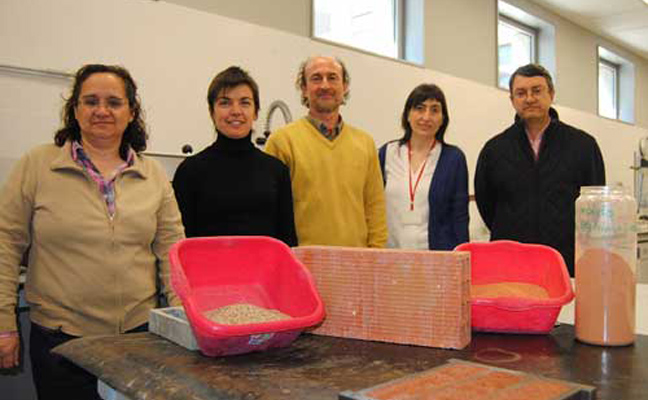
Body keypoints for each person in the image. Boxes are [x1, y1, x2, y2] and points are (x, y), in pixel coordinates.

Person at [0, 64, 185, 399]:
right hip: (61, 342)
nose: (102, 110)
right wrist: (3, 325)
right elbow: (5, 244)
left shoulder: (153, 174)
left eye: (114, 102)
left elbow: (173, 252)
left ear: (131, 112)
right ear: (75, 110)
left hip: (137, 338)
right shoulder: (38, 165)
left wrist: (182, 323)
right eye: (90, 101)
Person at [474, 63, 605, 276]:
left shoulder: (583, 145)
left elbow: (595, 204)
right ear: (512, 100)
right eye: (521, 93)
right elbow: (486, 204)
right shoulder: (494, 150)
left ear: (551, 94)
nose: (529, 98)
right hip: (510, 262)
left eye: (536, 91)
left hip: (565, 261)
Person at [264, 56, 387, 248]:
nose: (325, 85)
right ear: (304, 88)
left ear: (344, 86)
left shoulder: (365, 143)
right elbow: (271, 213)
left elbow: (375, 208)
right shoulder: (282, 142)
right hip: (301, 261)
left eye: (332, 77)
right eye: (316, 78)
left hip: (356, 261)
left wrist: (375, 254)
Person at [172, 66, 297, 246]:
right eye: (225, 103)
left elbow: (287, 243)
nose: (236, 111)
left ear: (256, 112)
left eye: (245, 103)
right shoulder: (190, 171)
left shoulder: (277, 171)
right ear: (212, 112)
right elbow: (182, 244)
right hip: (207, 265)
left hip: (263, 266)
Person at [378, 84, 469, 250]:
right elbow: (372, 206)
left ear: (442, 119)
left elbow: (460, 216)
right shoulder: (387, 153)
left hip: (437, 256)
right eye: (419, 108)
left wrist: (461, 255)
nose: (426, 117)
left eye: (434, 110)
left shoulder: (453, 159)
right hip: (390, 253)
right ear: (407, 114)